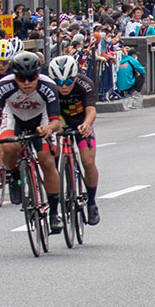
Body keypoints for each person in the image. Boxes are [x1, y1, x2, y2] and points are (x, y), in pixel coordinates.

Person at [0, 51, 66, 231]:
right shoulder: (4, 85)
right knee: (8, 146)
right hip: (15, 117)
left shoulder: (48, 86)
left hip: (42, 119)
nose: (27, 83)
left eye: (32, 77)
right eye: (22, 79)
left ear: (39, 74)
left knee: (46, 160)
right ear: (15, 77)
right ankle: (15, 177)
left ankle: (54, 213)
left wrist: (49, 129)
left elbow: (56, 120)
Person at [48, 54, 101, 223]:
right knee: (52, 154)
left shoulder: (85, 84)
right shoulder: (48, 87)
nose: (63, 87)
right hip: (59, 121)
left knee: (88, 161)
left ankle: (92, 202)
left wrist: (87, 124)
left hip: (81, 121)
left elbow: (91, 110)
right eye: (59, 82)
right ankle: (54, 205)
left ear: (75, 77)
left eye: (68, 82)